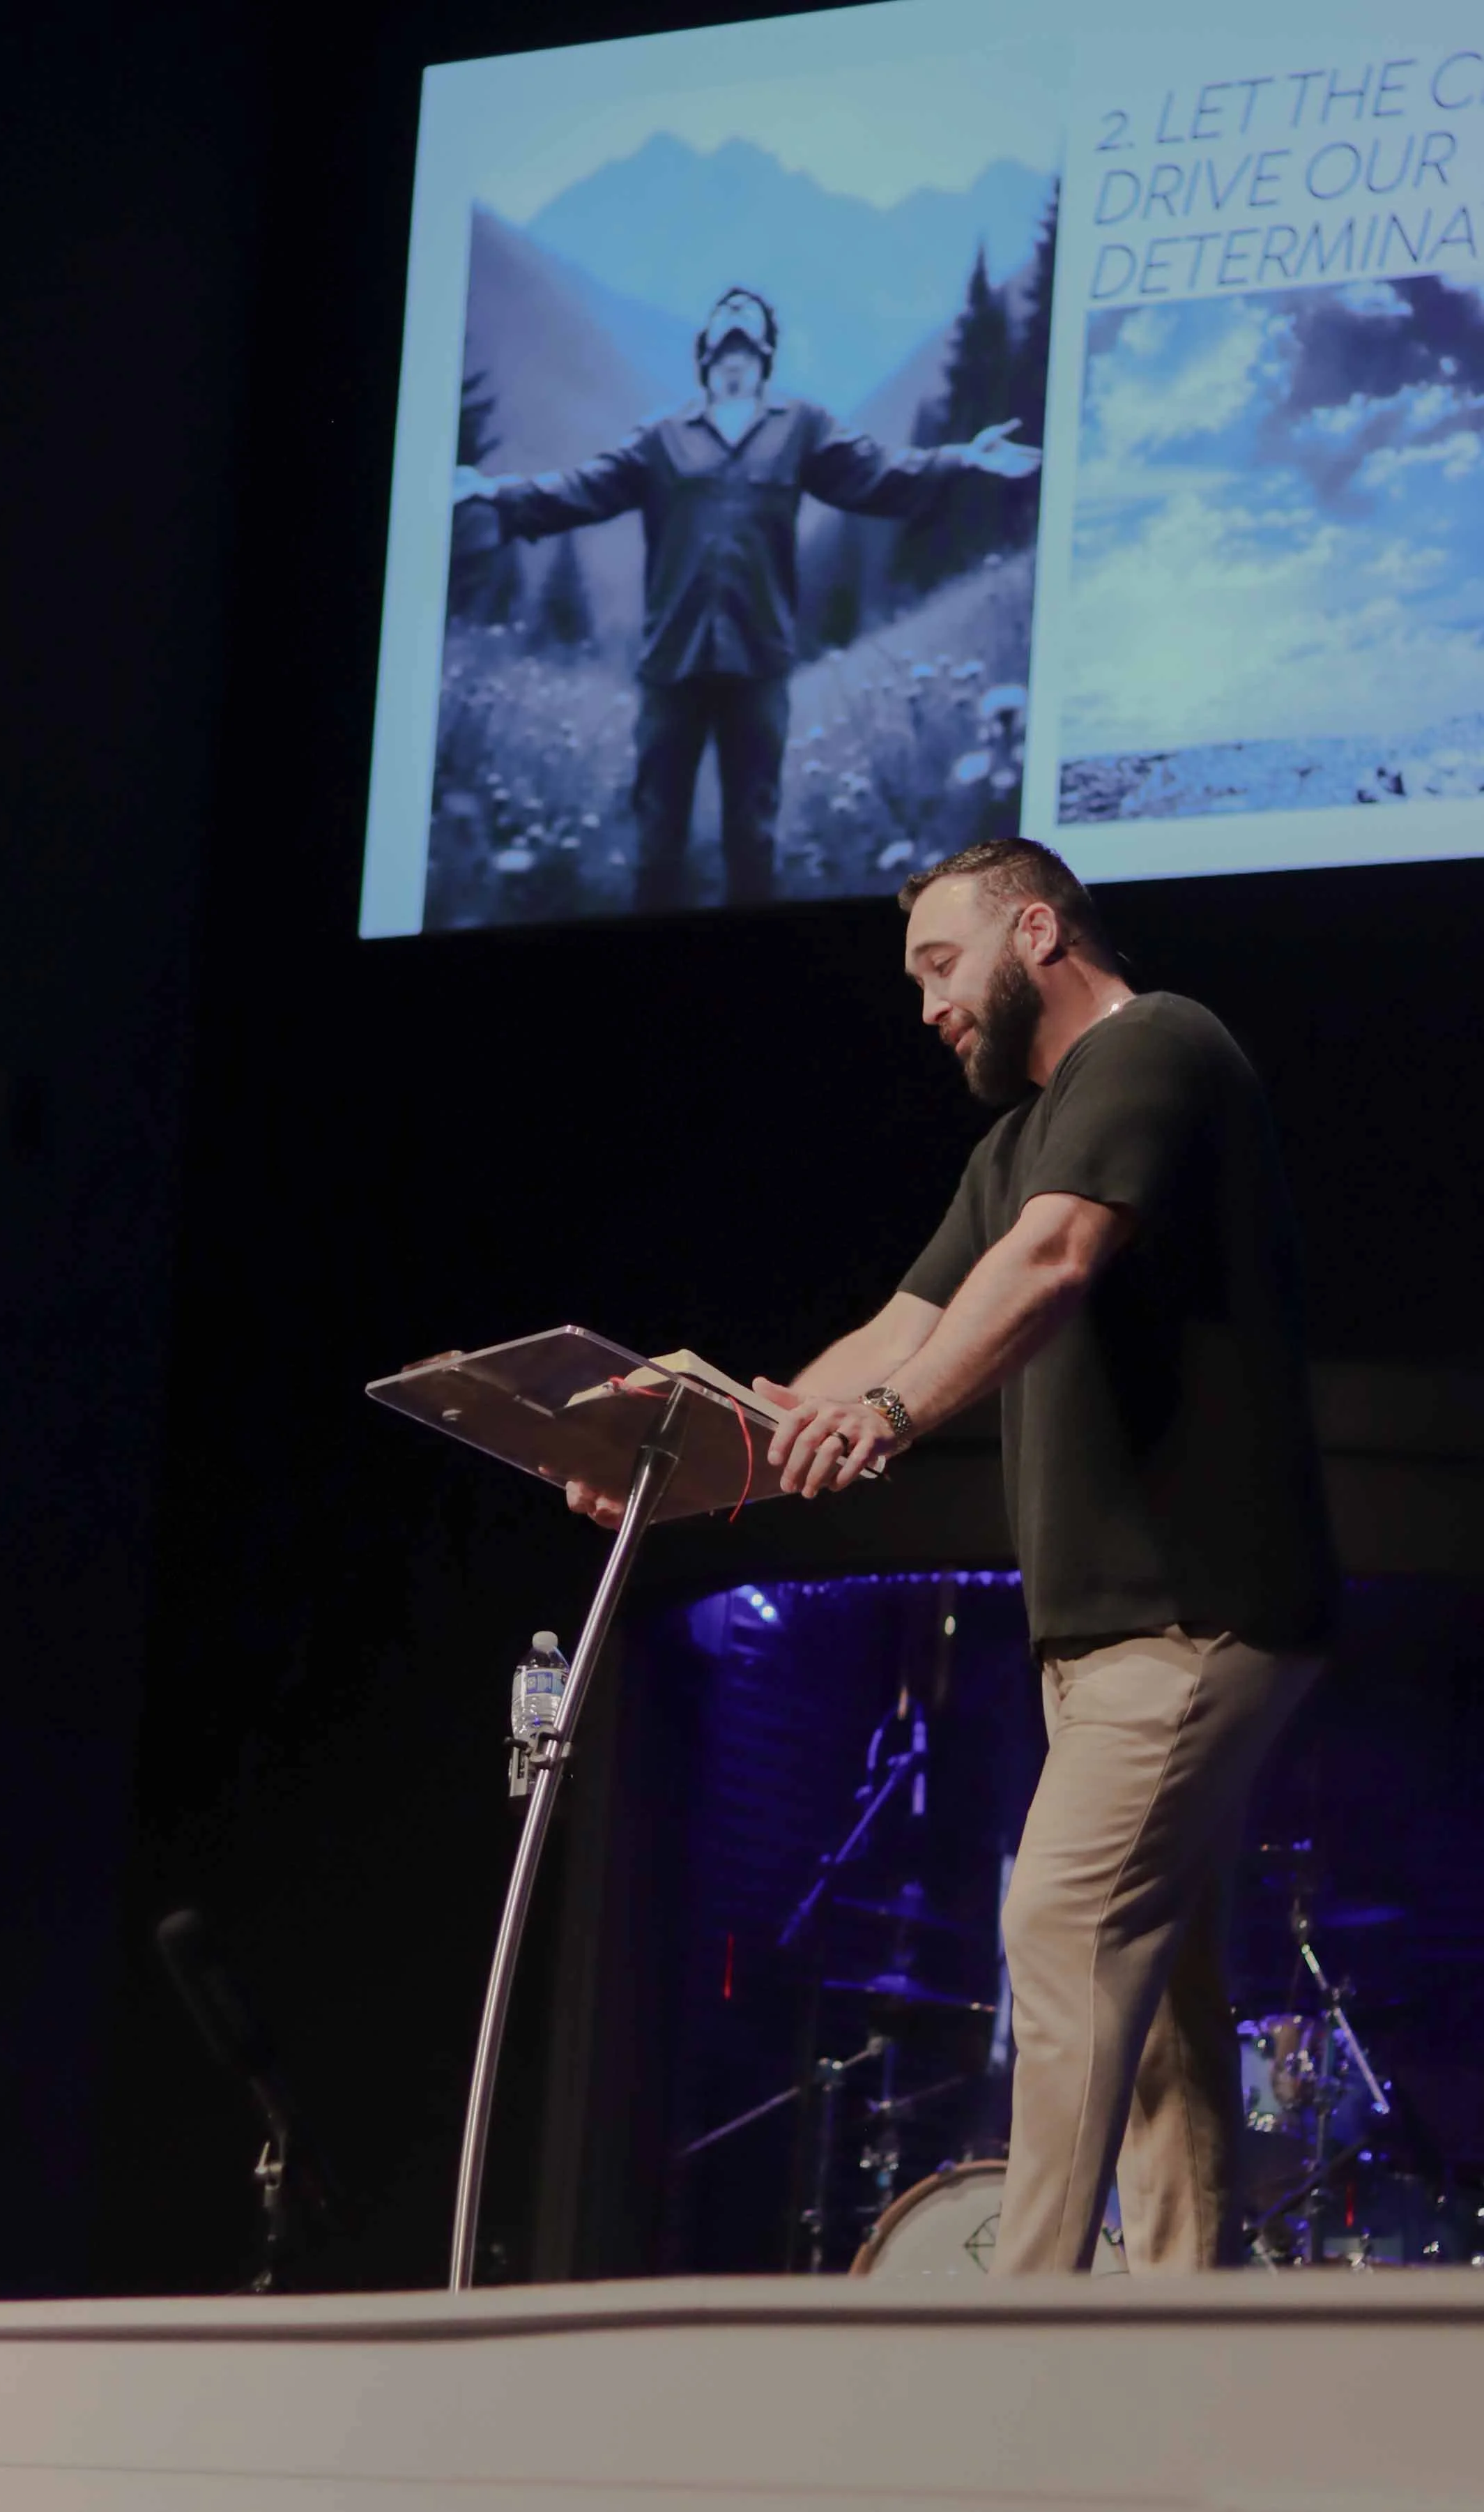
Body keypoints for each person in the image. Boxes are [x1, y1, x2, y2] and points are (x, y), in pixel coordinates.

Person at [568, 836, 1338, 2272]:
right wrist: (692, 1451)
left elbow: (1047, 1265)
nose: (926, 1006)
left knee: (1054, 1920)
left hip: (1195, 1615)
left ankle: (1014, 2328)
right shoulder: (1012, 1144)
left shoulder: (1156, 1048)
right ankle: (1190, 2355)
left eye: (939, 964)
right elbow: (899, 1330)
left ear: (1035, 931)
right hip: (1110, 1638)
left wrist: (886, 1416)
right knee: (1157, 2004)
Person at [452, 287, 1039, 912]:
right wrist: (496, 495)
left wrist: (964, 459)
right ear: (705, 351)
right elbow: (580, 489)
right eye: (723, 317)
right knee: (657, 838)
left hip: (759, 662)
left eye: (747, 318)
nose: (734, 319)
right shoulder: (662, 437)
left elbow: (881, 476)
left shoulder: (801, 429)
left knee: (752, 837)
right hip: (671, 664)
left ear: (764, 352)